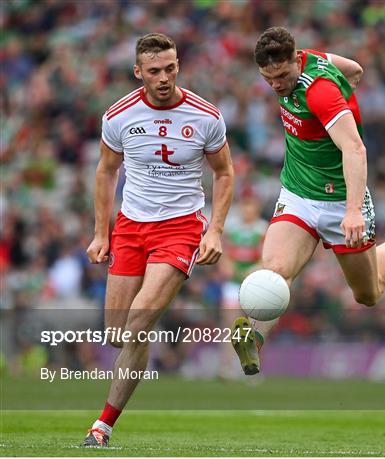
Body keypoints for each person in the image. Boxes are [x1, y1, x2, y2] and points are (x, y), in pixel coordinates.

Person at [231, 26, 385, 376]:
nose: (276, 85)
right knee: (277, 272)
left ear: (296, 61)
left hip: (342, 203)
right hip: (298, 194)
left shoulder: (321, 93)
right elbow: (355, 69)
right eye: (269, 79)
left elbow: (355, 148)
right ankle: (254, 337)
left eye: (281, 76)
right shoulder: (314, 59)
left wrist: (353, 210)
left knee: (368, 294)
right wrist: (349, 85)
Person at [83, 33, 234, 446]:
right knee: (118, 333)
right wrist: (101, 232)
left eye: (170, 68)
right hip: (131, 227)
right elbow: (105, 171)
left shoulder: (205, 115)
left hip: (181, 227)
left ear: (178, 65)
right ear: (139, 72)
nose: (164, 77)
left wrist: (215, 229)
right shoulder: (119, 115)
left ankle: (101, 427)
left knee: (138, 321)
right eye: (154, 71)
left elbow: (224, 173)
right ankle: (149, 334)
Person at [218, 193, 267, 379]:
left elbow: (265, 257)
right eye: (244, 205)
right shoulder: (232, 228)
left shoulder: (262, 229)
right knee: (229, 325)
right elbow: (224, 253)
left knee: (255, 327)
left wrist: (255, 268)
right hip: (233, 284)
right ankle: (227, 367)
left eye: (251, 206)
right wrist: (226, 266)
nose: (247, 210)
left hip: (254, 284)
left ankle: (254, 367)